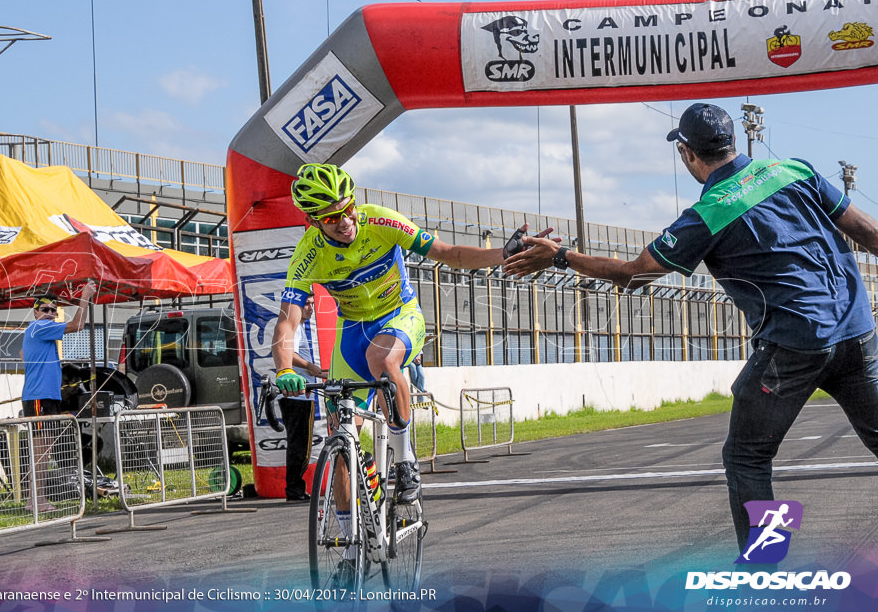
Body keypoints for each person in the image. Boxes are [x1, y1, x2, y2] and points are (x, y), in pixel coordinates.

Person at [503, 102, 878, 557]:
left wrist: (560, 257)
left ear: (687, 154)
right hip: (858, 331)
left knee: (747, 458)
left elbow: (634, 274)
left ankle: (767, 569)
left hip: (793, 347)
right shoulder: (795, 170)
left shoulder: (708, 213)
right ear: (735, 141)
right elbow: (870, 233)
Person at [272, 163, 547, 511]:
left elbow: (448, 254)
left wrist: (502, 254)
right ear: (312, 222)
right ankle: (346, 547)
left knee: (382, 359)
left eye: (348, 208)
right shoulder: (307, 256)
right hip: (352, 333)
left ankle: (405, 463)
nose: (344, 221)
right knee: (340, 442)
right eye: (330, 218)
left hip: (399, 315)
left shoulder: (382, 221)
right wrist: (284, 370)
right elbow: (287, 322)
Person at [21, 281, 97, 512]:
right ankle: (35, 500)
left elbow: (23, 353)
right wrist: (85, 296)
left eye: (54, 310)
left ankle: (34, 498)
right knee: (41, 450)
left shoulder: (39, 333)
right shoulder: (39, 328)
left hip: (45, 396)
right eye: (45, 310)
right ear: (36, 312)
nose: (51, 314)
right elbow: (78, 325)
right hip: (39, 397)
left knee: (43, 450)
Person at [273, 290, 326, 502]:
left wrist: (317, 370)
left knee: (302, 444)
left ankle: (295, 487)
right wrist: (311, 368)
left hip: (303, 393)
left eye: (312, 304)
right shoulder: (293, 327)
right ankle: (294, 489)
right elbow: (288, 354)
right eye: (306, 304)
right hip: (295, 394)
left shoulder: (302, 328)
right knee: (299, 445)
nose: (310, 308)